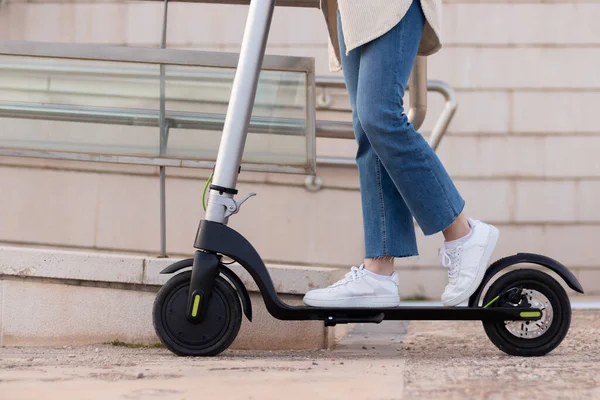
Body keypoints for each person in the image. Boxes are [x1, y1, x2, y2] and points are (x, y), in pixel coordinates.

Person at [303, 0, 499, 308]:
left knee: (380, 116)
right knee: (368, 131)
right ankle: (378, 272)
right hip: (349, 9)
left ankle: (462, 232)